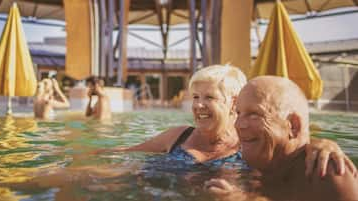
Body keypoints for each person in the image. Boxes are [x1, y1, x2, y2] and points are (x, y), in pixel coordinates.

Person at [113, 65, 353, 174]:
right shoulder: (179, 136)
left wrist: (322, 144)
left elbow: (289, 152)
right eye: (195, 96)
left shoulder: (252, 145)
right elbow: (122, 154)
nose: (198, 105)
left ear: (234, 103)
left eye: (209, 97)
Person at [204, 76, 358, 201]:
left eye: (254, 114)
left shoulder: (327, 173)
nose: (238, 124)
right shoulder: (261, 160)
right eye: (238, 113)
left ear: (293, 125)